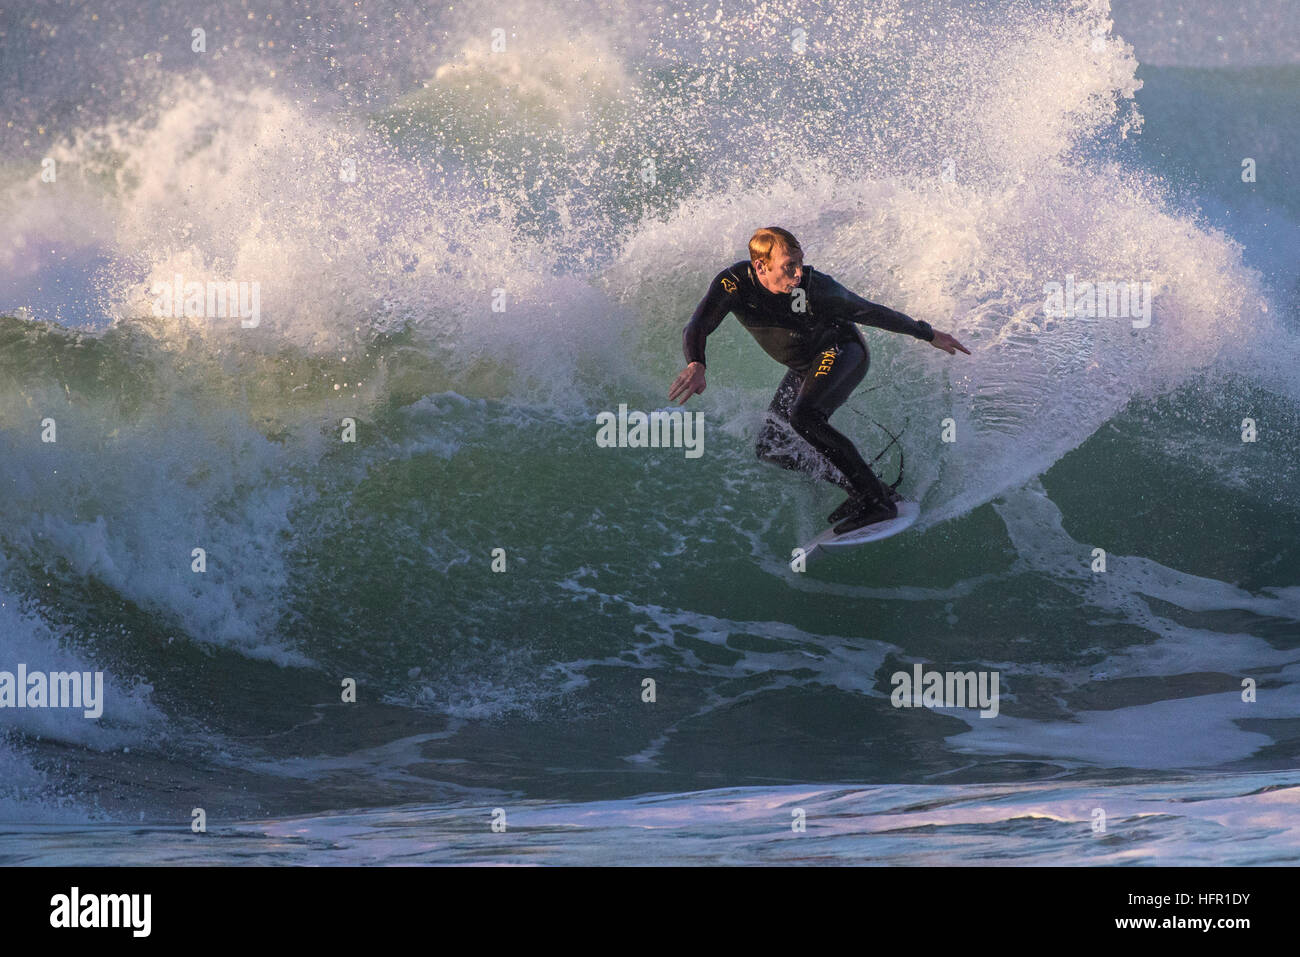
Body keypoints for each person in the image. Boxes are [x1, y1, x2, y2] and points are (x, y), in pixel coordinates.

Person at [668, 226, 970, 533]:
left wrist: (927, 333)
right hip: (805, 367)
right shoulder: (733, 284)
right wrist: (697, 363)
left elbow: (869, 311)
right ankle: (865, 488)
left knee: (805, 418)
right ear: (761, 266)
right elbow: (697, 325)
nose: (798, 273)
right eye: (789, 266)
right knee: (771, 446)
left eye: (800, 262)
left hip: (840, 349)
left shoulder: (814, 287)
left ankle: (877, 502)